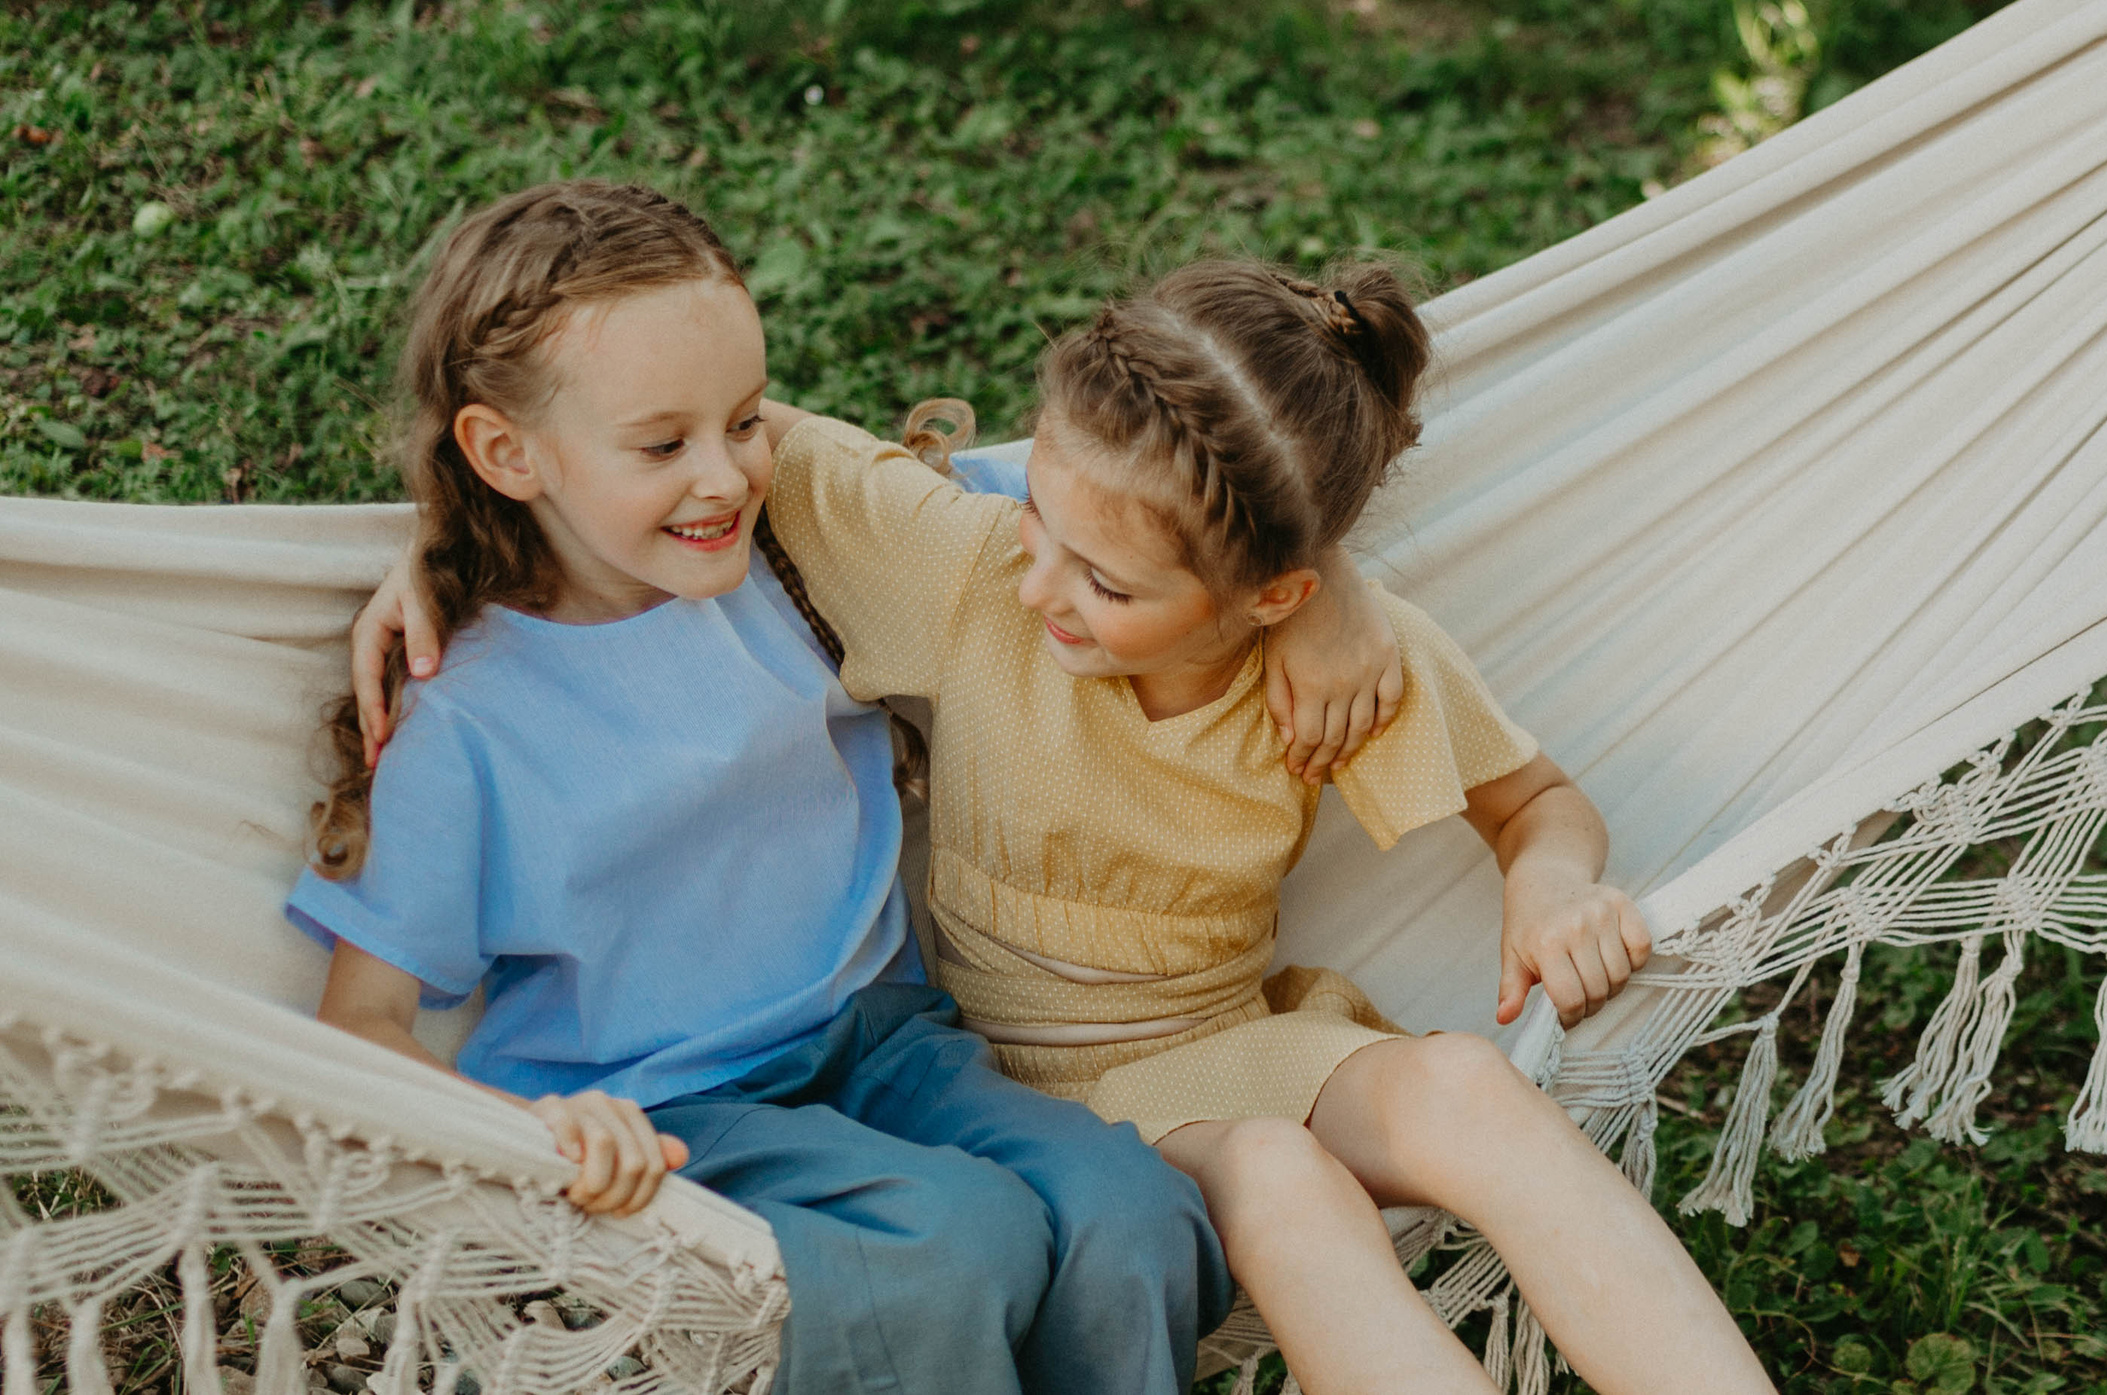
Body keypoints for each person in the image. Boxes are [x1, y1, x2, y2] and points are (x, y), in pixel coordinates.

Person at [288, 180, 1354, 1395]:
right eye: (661, 444)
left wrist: (1335, 595)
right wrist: (536, 1136)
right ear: (503, 452)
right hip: (667, 1113)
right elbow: (357, 1031)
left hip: (890, 1047)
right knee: (952, 1248)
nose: (727, 475)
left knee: (1135, 1215)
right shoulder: (462, 717)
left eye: (744, 419)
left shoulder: (797, 560)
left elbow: (1158, 522)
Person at [738, 260, 1778, 1395]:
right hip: (1024, 1098)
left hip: (1225, 1037)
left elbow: (1536, 804)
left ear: (1270, 597)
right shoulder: (972, 576)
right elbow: (743, 427)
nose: (1042, 587)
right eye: (1038, 513)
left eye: (1109, 585)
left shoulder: (1340, 679)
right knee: (1281, 1172)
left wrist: (1552, 884)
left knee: (1473, 1094)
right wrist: (1328, 575)